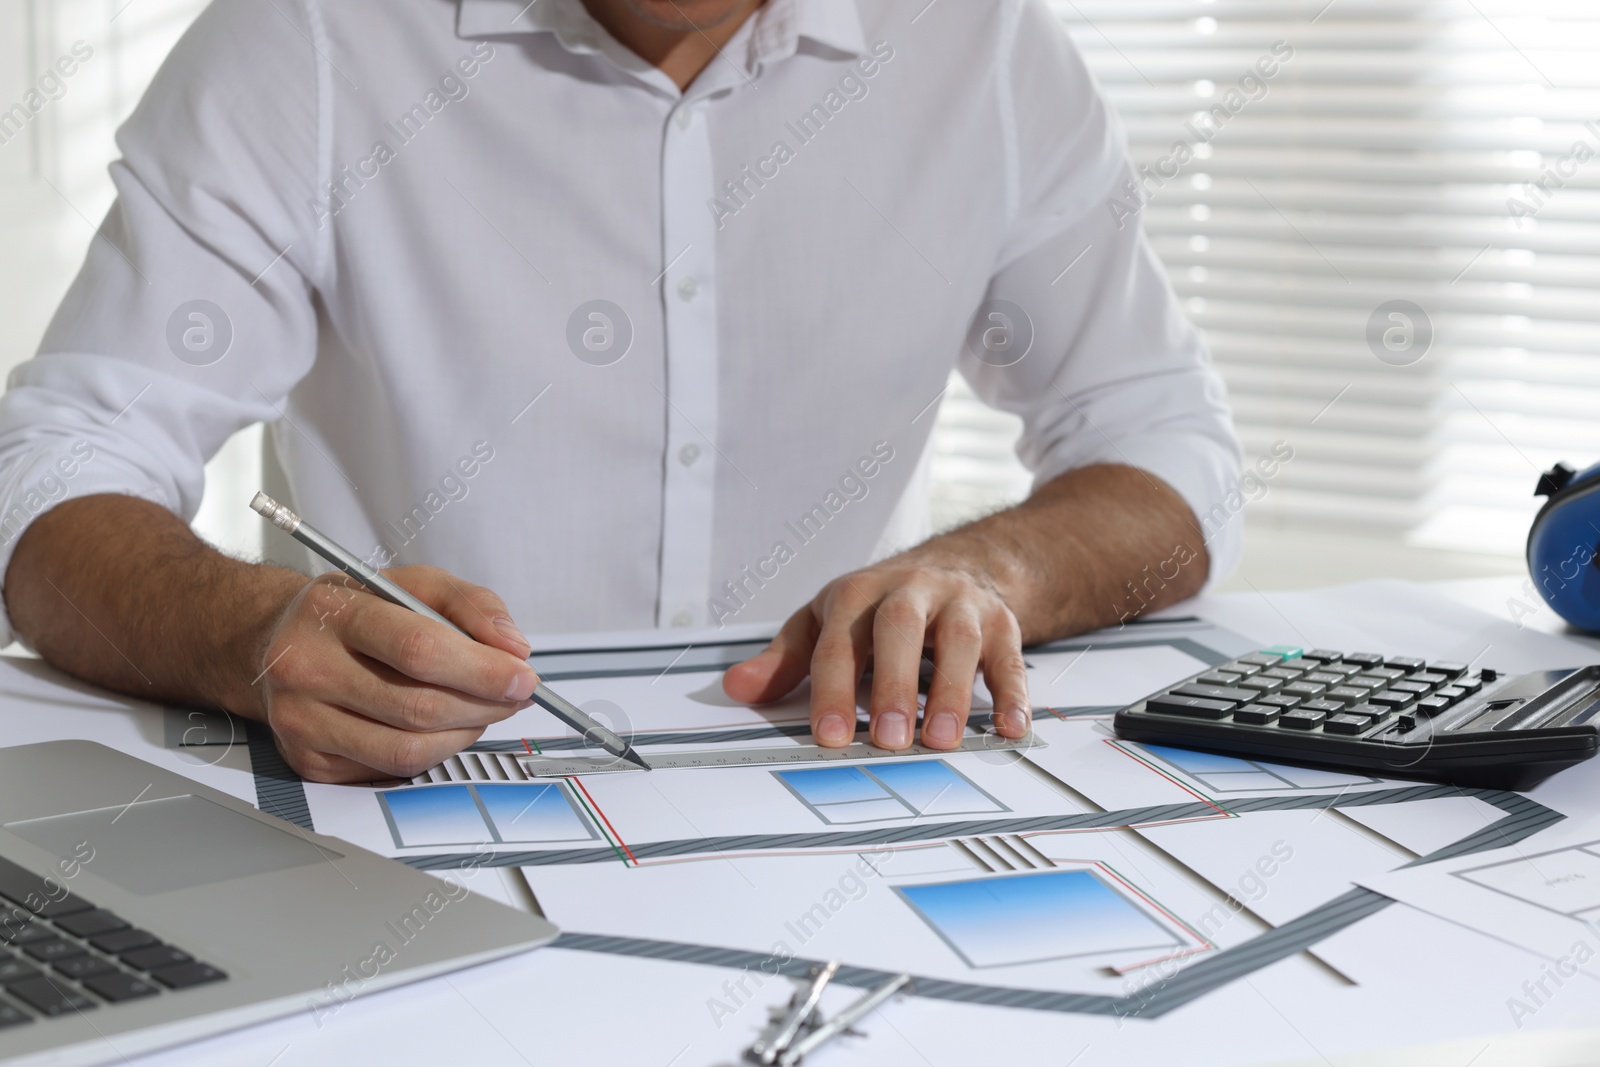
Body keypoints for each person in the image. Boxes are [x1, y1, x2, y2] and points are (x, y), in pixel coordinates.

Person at [0, 0, 1240, 783]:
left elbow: (1165, 440)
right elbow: (57, 462)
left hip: (835, 783)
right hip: (405, 800)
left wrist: (992, 574)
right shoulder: (310, 39)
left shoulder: (987, 46)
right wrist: (248, 631)